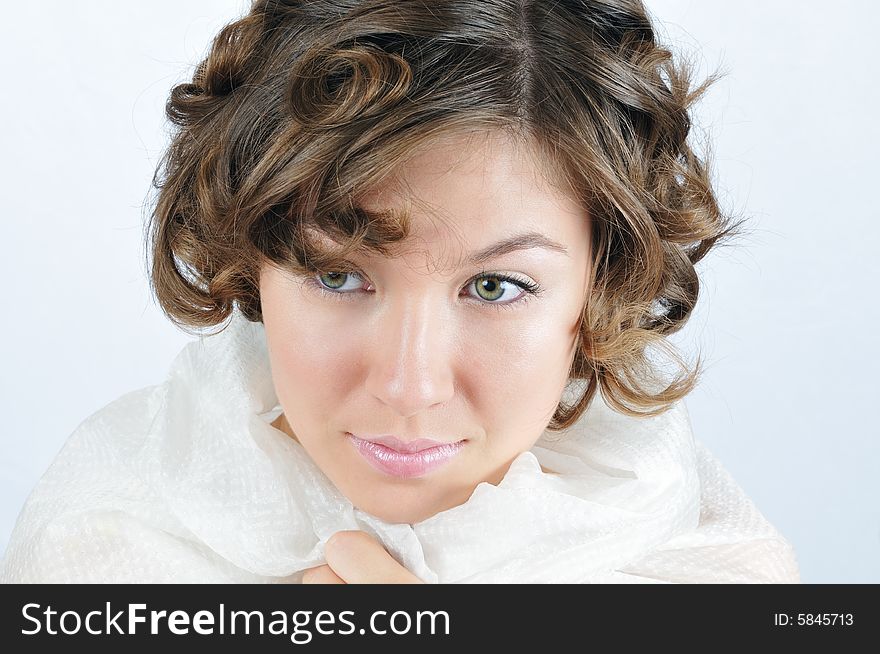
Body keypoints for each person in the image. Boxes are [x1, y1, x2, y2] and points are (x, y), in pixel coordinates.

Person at [0, 0, 800, 583]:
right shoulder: (104, 554)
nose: (409, 386)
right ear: (252, 267)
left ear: (601, 286)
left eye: (495, 286)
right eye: (338, 275)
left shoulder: (711, 578)